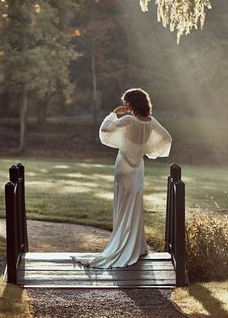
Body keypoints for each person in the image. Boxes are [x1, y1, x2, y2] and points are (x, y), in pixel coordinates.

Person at [71, 88, 172, 268]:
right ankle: (136, 246)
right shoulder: (151, 121)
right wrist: (148, 150)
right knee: (134, 205)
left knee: (123, 205)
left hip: (123, 166)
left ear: (132, 104)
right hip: (138, 169)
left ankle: (124, 245)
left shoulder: (127, 120)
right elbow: (166, 138)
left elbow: (106, 129)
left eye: (126, 103)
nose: (125, 106)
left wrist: (113, 114)